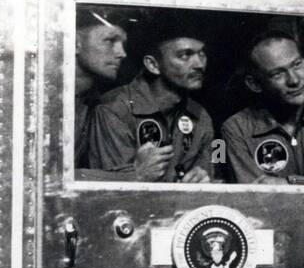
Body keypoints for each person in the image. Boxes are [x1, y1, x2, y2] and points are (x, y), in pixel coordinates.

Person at [88, 15, 214, 183]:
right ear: (153, 65)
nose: (199, 64)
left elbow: (210, 171)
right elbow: (108, 191)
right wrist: (136, 175)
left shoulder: (200, 116)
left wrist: (202, 179)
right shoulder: (115, 108)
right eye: (185, 55)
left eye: (202, 54)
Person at [221, 32, 304, 185]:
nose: (294, 80)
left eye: (297, 64)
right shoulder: (238, 129)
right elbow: (256, 197)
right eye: (278, 74)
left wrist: (289, 182)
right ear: (254, 84)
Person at [74, 8, 127, 174]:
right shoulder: (47, 100)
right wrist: (135, 176)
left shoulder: (96, 102)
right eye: (110, 41)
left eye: (122, 44)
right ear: (75, 43)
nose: (122, 53)